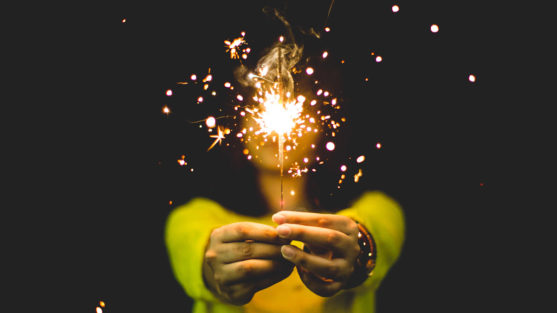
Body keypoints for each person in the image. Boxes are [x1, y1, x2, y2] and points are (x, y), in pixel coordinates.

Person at [164, 107, 405, 313]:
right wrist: (214, 272)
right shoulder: (195, 215)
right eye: (258, 110)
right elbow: (193, 248)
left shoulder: (375, 205)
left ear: (320, 125)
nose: (270, 122)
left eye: (292, 106)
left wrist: (357, 249)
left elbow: (377, 230)